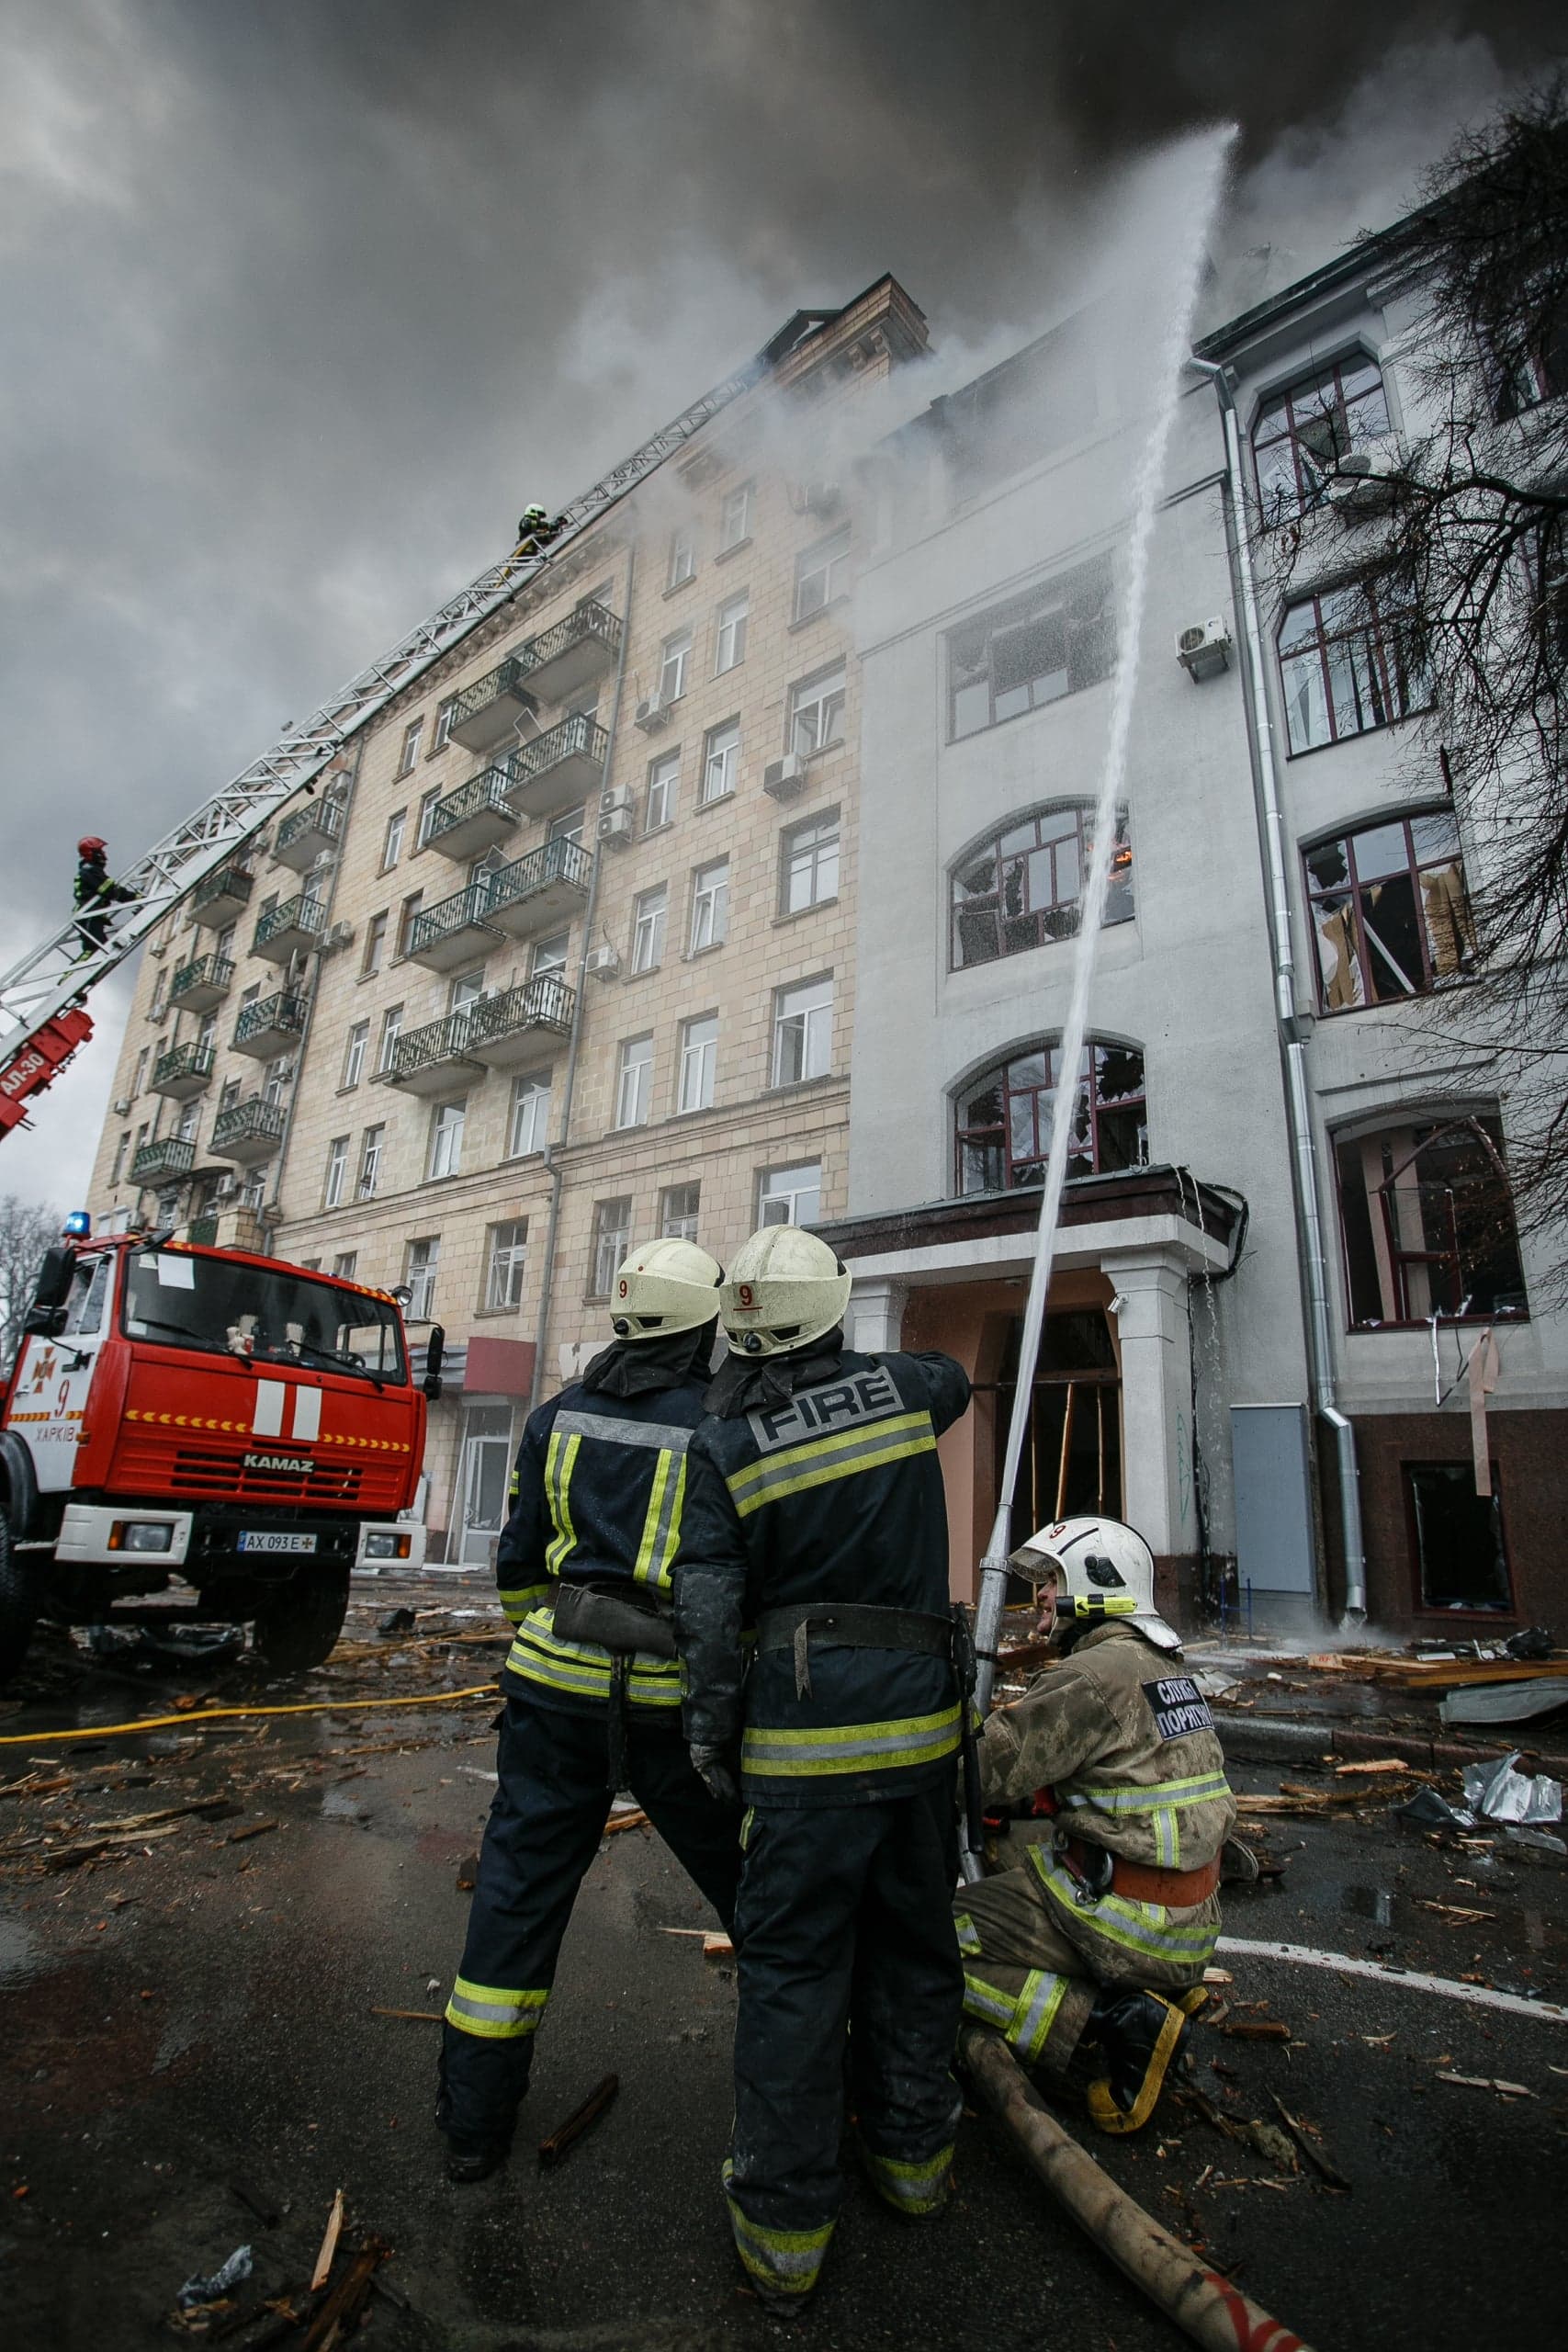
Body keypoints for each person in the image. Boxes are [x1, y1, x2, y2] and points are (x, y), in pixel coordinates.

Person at [673, 1226, 973, 2313]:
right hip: (922, 1743)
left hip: (800, 1758)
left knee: (795, 1981)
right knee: (914, 1949)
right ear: (836, 1311)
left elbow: (707, 1617)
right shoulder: (906, 1391)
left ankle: (784, 2229)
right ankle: (913, 2164)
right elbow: (955, 1377)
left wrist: (711, 1737)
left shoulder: (726, 1444)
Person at [436, 1238, 743, 2184]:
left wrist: (559, 1639)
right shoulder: (725, 1425)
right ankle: (822, 2080)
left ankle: (471, 2129)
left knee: (515, 1902)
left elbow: (518, 1568)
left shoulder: (555, 1417)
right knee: (762, 1892)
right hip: (671, 1709)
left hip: (550, 1696)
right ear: (702, 1328)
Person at [954, 1515, 1236, 2134]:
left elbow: (971, 1776)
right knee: (1008, 1839)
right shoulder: (1156, 1663)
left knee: (920, 1946)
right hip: (1189, 1921)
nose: (1041, 1597)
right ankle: (1161, 1983)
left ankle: (1109, 2023)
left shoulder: (1088, 1676)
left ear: (1098, 1581)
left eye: (1052, 1580)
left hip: (1130, 1926)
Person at [73, 837, 135, 958]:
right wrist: (135, 897)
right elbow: (111, 891)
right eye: (100, 851)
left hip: (90, 914)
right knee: (95, 949)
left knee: (96, 948)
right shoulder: (89, 871)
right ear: (93, 853)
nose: (104, 854)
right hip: (89, 914)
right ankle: (70, 976)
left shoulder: (91, 870)